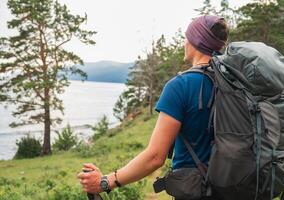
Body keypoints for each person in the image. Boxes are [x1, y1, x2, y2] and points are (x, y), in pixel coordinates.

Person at [77, 15, 228, 198]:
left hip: (199, 191)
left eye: (187, 37)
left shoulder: (181, 85)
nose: (184, 42)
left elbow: (155, 157)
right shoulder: (236, 82)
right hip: (238, 186)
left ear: (195, 41)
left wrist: (104, 182)